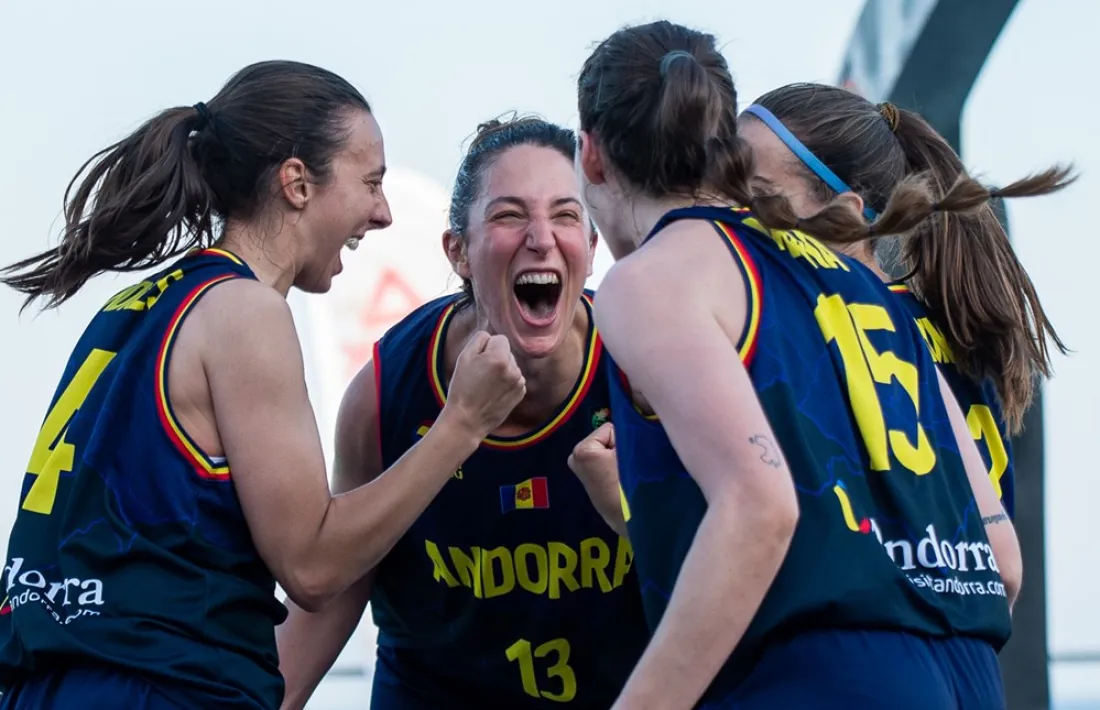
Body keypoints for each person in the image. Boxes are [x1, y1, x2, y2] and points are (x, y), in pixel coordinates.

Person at [0, 61, 525, 710]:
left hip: (46, 681)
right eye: (370, 182)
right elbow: (312, 565)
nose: (383, 212)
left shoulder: (137, 307)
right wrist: (463, 422)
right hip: (160, 684)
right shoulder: (245, 312)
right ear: (297, 183)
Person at [570, 20, 1042, 710]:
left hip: (816, 677)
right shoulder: (857, 282)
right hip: (968, 677)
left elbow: (760, 506)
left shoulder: (653, 277)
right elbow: (1001, 563)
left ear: (590, 155)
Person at [275, 116, 648, 710]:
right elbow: (330, 592)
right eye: (508, 215)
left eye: (566, 215)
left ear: (592, 246)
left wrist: (643, 511)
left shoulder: (644, 368)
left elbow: (730, 560)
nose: (541, 237)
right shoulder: (386, 392)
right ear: (459, 251)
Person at [737, 83, 1071, 519]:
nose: (729, 215)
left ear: (844, 210)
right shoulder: (945, 326)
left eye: (757, 197)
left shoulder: (827, 325)